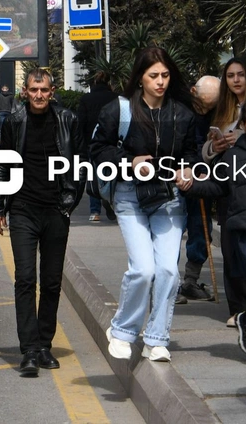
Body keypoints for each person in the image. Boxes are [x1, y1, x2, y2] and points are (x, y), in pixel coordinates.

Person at [92, 46, 198, 362]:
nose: (160, 82)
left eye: (165, 75)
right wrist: (129, 160)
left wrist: (189, 168)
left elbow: (192, 153)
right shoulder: (119, 111)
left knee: (168, 270)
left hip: (169, 198)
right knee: (142, 269)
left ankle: (156, 338)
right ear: (140, 78)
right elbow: (97, 150)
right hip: (129, 196)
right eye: (154, 76)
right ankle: (123, 331)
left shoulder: (182, 114)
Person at [0, 68, 82, 378]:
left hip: (57, 210)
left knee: (52, 281)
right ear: (25, 92)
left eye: (44, 90)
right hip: (24, 210)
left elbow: (79, 164)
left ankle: (44, 344)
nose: (39, 95)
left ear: (51, 91)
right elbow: (3, 164)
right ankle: (28, 349)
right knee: (26, 279)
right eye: (33, 90)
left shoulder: (67, 119)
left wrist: (70, 202)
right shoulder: (14, 121)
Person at [181, 99, 246, 368]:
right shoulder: (234, 155)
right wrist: (189, 187)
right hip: (242, 229)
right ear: (243, 126)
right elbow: (216, 187)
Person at [199, 57, 246, 308]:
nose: (236, 80)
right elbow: (205, 149)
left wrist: (240, 138)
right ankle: (237, 307)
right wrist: (213, 146)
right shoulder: (223, 110)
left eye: (240, 75)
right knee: (231, 248)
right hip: (228, 187)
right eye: (230, 76)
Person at [176, 75, 220, 305]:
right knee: (171, 231)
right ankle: (170, 283)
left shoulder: (218, 110)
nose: (205, 110)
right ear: (193, 91)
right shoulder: (178, 108)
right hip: (176, 176)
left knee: (201, 230)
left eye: (210, 107)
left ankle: (190, 280)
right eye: (202, 104)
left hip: (201, 178)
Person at [77, 70, 118, 222]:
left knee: (93, 176)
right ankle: (110, 200)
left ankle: (95, 211)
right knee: (112, 174)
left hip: (91, 143)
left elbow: (81, 122)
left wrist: (80, 143)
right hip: (112, 143)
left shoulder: (86, 99)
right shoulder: (116, 98)